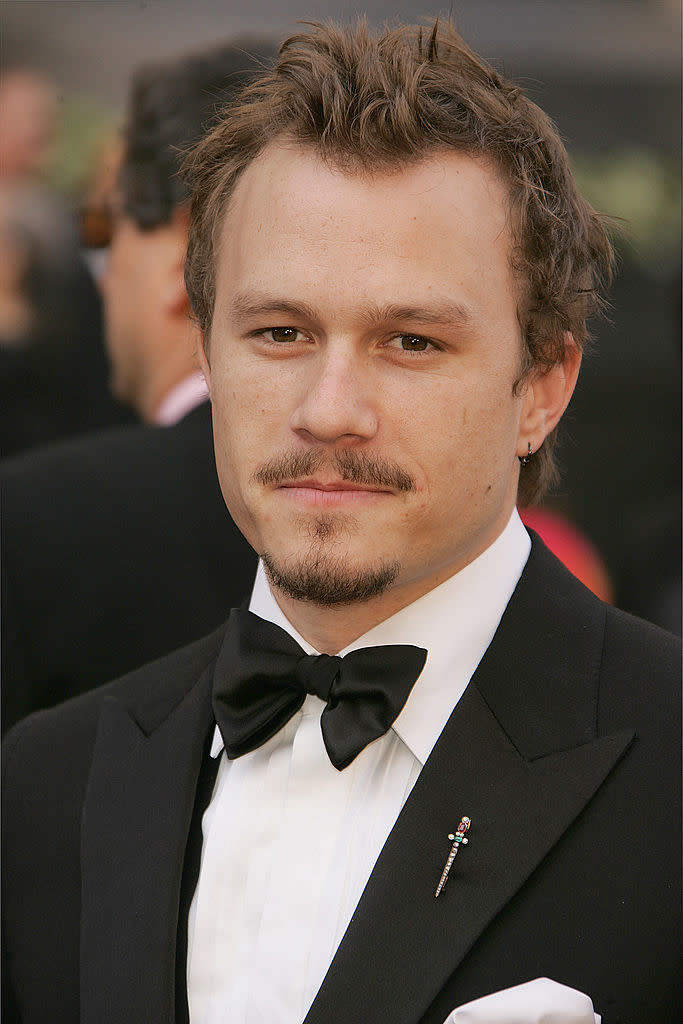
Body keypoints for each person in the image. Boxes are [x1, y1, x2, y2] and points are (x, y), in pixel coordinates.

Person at [2, 19, 679, 1024]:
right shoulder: (46, 787)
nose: (328, 407)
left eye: (409, 340)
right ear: (207, 352)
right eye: (279, 332)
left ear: (540, 384)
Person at [0, 42, 270, 731]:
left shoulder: (31, 525)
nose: (102, 268)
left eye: (102, 224)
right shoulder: (441, 518)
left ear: (188, 260)